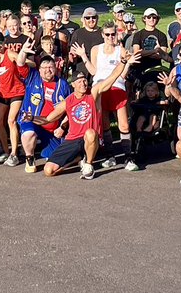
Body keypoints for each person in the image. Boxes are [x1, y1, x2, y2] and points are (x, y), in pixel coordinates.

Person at [33, 53, 140, 179]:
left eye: (84, 80)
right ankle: (77, 158)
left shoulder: (94, 94)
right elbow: (47, 119)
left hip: (91, 138)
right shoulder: (68, 101)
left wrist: (122, 61)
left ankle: (88, 165)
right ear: (73, 85)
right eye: (79, 81)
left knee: (90, 133)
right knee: (48, 171)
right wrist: (31, 119)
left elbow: (112, 77)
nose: (83, 83)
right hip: (72, 139)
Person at [83, 22, 132, 168]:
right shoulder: (96, 50)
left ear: (116, 34)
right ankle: (110, 156)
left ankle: (128, 157)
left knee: (123, 125)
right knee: (105, 124)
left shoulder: (121, 50)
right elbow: (94, 71)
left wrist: (128, 64)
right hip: (100, 88)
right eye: (108, 34)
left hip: (117, 87)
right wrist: (82, 56)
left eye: (113, 34)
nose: (111, 37)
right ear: (102, 35)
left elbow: (123, 75)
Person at [16, 55, 71, 172]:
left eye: (50, 67)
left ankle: (46, 151)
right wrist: (24, 51)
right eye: (44, 67)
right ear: (39, 70)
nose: (48, 70)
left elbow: (70, 109)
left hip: (53, 130)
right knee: (29, 134)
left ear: (55, 68)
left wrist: (62, 127)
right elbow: (20, 63)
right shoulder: (33, 77)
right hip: (31, 121)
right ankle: (29, 158)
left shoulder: (63, 85)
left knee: (62, 159)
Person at [0, 30, 30, 165]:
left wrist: (23, 61)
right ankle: (6, 152)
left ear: (4, 42)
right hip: (1, 93)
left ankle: (14, 153)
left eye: (0, 42)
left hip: (16, 91)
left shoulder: (11, 54)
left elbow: (29, 62)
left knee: (11, 121)